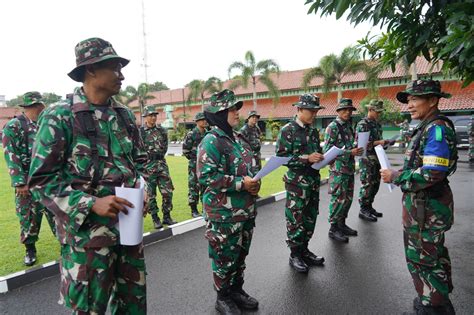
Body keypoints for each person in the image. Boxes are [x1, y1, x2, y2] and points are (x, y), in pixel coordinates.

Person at [28, 37, 148, 314]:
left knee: (133, 306)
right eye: (115, 67)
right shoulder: (60, 116)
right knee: (90, 309)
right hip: (87, 244)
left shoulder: (124, 115)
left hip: (128, 236)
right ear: (91, 70)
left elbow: (139, 163)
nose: (122, 75)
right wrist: (90, 203)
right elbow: (40, 182)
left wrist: (143, 187)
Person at [380, 80, 457, 315]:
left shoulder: (436, 129)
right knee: (430, 255)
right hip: (423, 206)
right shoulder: (427, 126)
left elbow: (433, 172)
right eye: (409, 100)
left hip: (427, 208)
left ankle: (433, 307)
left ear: (433, 100)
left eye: (415, 99)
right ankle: (435, 299)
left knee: (424, 258)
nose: (410, 105)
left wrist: (396, 176)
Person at [197, 89, 260, 315]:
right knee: (224, 257)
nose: (236, 113)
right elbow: (206, 176)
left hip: (245, 211)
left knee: (240, 255)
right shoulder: (211, 141)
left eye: (236, 108)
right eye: (232, 109)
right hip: (223, 214)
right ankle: (222, 297)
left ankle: (236, 290)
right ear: (219, 113)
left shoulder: (239, 139)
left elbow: (250, 168)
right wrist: (242, 184)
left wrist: (255, 181)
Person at [2, 92, 56, 266]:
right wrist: (19, 182)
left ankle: (66, 244)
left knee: (57, 214)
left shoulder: (45, 125)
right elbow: (11, 154)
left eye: (40, 105)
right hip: (27, 183)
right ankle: (30, 249)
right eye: (37, 106)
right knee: (28, 218)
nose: (40, 109)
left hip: (48, 182)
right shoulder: (14, 126)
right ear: (29, 108)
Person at [275, 94, 326, 273]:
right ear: (299, 110)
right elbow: (281, 158)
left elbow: (316, 152)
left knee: (310, 217)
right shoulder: (287, 130)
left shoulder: (313, 131)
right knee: (296, 219)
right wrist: (306, 159)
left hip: (312, 181)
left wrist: (322, 157)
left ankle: (305, 250)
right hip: (297, 183)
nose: (314, 114)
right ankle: (295, 254)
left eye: (316, 111)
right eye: (310, 111)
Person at [323, 98, 363, 243]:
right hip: (338, 170)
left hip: (349, 168)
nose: (347, 112)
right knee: (338, 199)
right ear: (338, 111)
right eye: (344, 109)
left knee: (347, 199)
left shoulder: (348, 126)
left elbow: (348, 144)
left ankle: (341, 224)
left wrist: (356, 148)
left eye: (350, 110)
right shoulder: (333, 127)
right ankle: (333, 228)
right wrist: (349, 153)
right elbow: (327, 150)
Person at [356, 99, 393, 221]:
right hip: (367, 159)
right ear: (370, 110)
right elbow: (361, 145)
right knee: (367, 184)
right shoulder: (363, 124)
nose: (379, 114)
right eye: (377, 111)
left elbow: (378, 142)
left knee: (375, 184)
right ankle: (363, 209)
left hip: (377, 158)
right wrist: (379, 142)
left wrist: (386, 143)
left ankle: (369, 206)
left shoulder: (376, 124)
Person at [140, 105, 176, 228]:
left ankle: (167, 216)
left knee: (168, 192)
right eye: (151, 115)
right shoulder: (140, 133)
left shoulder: (161, 130)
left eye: (155, 115)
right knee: (150, 194)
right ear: (145, 117)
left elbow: (165, 147)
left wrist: (158, 157)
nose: (153, 117)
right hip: (147, 166)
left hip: (161, 164)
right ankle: (155, 218)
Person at [182, 112, 208, 218]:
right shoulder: (191, 134)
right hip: (194, 164)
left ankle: (205, 207)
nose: (204, 121)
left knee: (206, 186)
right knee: (193, 186)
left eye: (205, 119)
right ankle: (194, 210)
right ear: (197, 122)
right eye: (202, 120)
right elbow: (185, 150)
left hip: (206, 164)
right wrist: (194, 159)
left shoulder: (208, 134)